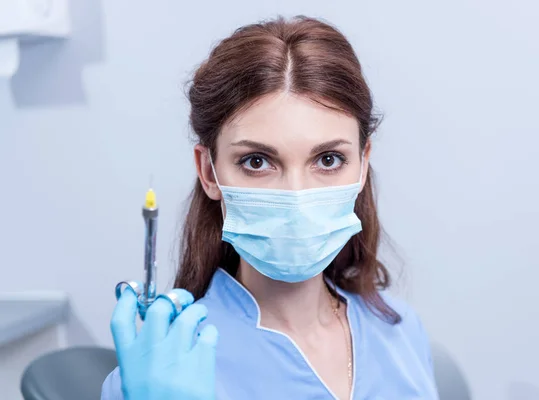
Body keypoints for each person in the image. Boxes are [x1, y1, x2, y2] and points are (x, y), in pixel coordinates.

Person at [101, 15, 439, 400]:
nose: (296, 196)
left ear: (363, 164)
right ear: (208, 172)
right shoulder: (163, 376)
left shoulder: (398, 329)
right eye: (257, 162)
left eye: (328, 159)